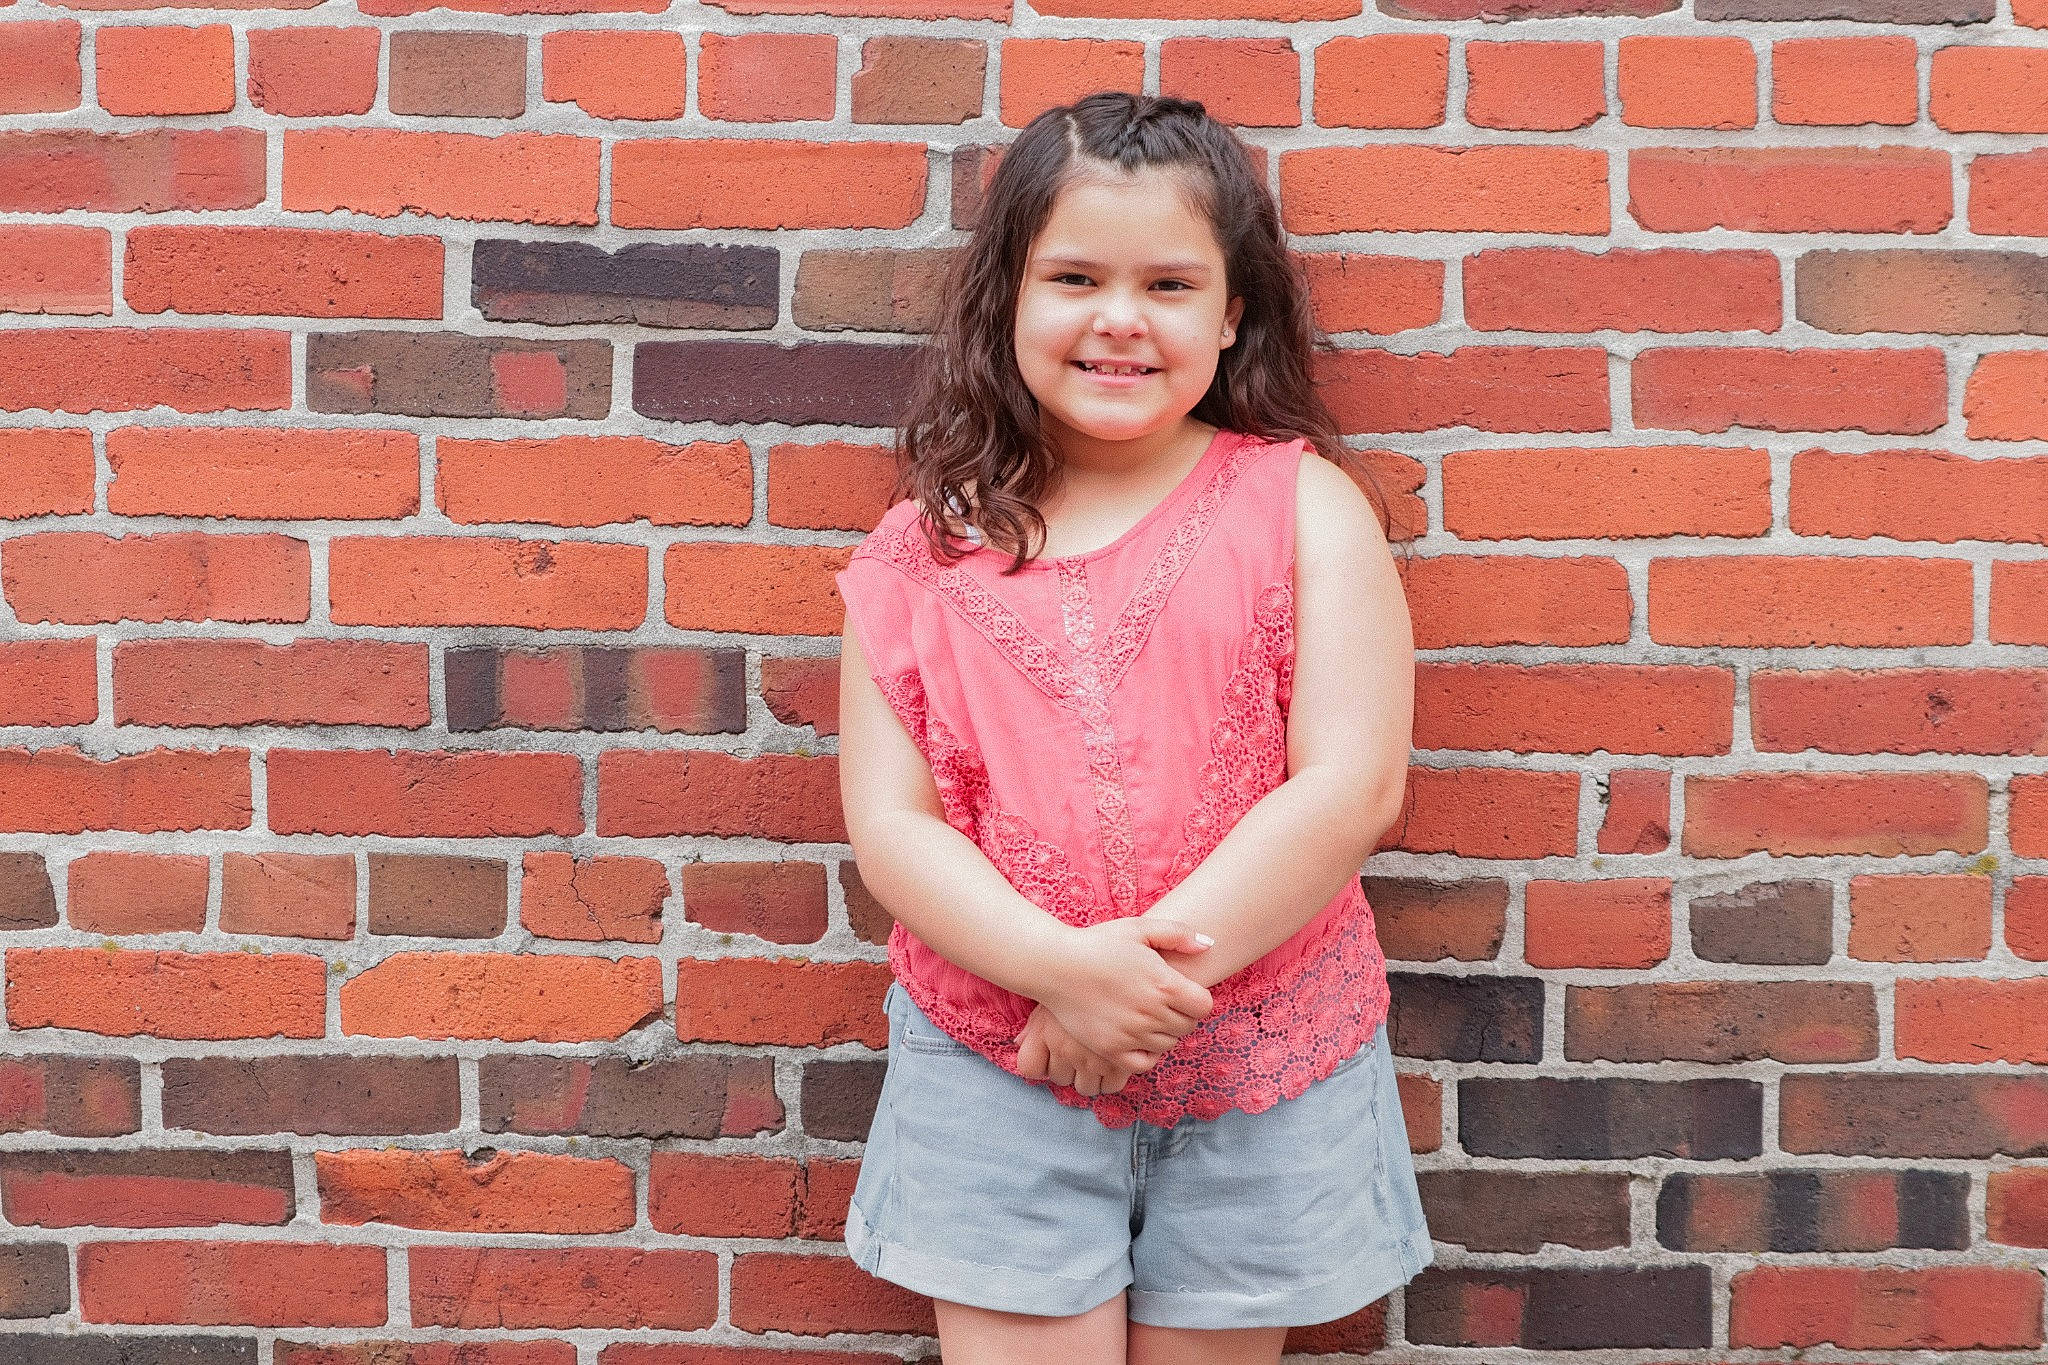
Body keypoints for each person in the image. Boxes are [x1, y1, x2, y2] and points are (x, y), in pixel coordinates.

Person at [833, 90, 1429, 1365]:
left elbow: (1352, 785)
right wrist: (1061, 975)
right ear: (1005, 300)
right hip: (1000, 1058)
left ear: (1231, 315)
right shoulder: (916, 557)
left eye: (1168, 283)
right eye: (1074, 277)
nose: (1119, 318)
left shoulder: (1301, 508)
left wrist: (1135, 992)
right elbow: (891, 828)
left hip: (1255, 1056)